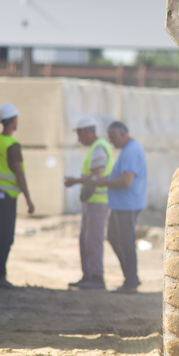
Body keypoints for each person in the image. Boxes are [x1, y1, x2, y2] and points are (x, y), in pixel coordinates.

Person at [89, 121, 147, 293]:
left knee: (125, 242)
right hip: (123, 204)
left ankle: (131, 281)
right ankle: (130, 279)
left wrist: (103, 182)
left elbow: (125, 181)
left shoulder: (131, 151)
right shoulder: (129, 150)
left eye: (113, 137)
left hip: (127, 205)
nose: (111, 142)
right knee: (116, 238)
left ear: (123, 134)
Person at [0, 103, 35, 288]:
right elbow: (19, 174)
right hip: (8, 199)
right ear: (13, 121)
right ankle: (0, 276)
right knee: (6, 237)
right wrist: (28, 199)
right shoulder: (12, 145)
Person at [64, 115, 114, 290]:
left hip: (98, 201)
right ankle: (88, 276)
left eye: (79, 134)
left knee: (92, 240)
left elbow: (95, 177)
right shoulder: (95, 148)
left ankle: (96, 277)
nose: (78, 139)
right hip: (92, 201)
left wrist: (75, 181)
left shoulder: (99, 148)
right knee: (85, 240)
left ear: (87, 132)